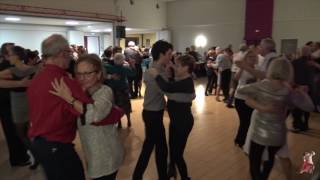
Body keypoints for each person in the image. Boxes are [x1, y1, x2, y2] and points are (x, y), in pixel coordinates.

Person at [49, 54, 124, 180]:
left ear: (99, 74)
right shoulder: (79, 92)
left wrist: (70, 99)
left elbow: (93, 115)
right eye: (79, 74)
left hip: (106, 154)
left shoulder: (105, 91)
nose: (82, 78)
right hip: (92, 152)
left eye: (87, 73)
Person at [237, 58, 314, 180]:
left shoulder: (262, 85)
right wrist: (301, 93)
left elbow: (241, 90)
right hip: (278, 134)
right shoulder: (288, 90)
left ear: (271, 68)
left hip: (260, 132)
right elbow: (309, 107)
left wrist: (261, 104)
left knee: (254, 162)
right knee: (270, 158)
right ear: (288, 72)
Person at [27, 34, 91, 180]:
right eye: (69, 53)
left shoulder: (37, 79)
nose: (70, 56)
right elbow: (92, 112)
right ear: (62, 54)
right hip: (56, 146)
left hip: (40, 143)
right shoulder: (64, 81)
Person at [149, 55, 195, 180]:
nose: (175, 68)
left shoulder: (187, 82)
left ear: (186, 68)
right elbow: (172, 84)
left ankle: (185, 177)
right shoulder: (182, 79)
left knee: (177, 153)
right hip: (176, 121)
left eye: (178, 66)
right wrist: (170, 74)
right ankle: (171, 171)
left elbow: (168, 87)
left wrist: (156, 75)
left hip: (183, 122)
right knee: (173, 148)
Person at [133, 40, 173, 180]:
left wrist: (168, 72)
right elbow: (166, 90)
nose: (171, 56)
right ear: (161, 54)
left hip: (155, 113)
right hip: (152, 114)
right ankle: (153, 176)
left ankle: (139, 175)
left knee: (152, 146)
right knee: (158, 147)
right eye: (169, 54)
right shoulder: (154, 71)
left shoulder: (159, 69)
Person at [0, 42, 30, 167]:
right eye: (11, 50)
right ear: (5, 54)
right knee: (13, 133)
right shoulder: (4, 66)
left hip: (15, 103)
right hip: (6, 104)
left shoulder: (13, 65)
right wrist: (21, 84)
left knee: (19, 132)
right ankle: (18, 158)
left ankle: (22, 155)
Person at [233, 50, 258, 148]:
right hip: (240, 98)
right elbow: (235, 78)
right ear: (246, 58)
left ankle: (243, 140)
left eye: (253, 57)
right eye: (250, 57)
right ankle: (240, 140)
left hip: (252, 98)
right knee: (245, 121)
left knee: (249, 121)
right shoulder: (243, 68)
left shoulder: (256, 68)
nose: (252, 59)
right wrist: (242, 68)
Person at [104, 53, 136, 128]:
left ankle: (119, 123)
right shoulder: (125, 68)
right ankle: (128, 120)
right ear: (123, 60)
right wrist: (132, 64)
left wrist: (110, 76)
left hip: (113, 90)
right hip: (123, 89)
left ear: (114, 60)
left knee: (116, 106)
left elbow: (102, 70)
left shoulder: (109, 67)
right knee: (126, 106)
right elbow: (133, 73)